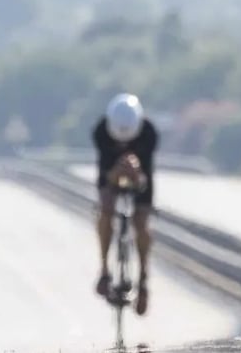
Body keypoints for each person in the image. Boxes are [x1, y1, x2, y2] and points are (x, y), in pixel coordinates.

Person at [92, 92, 158, 316]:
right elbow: (104, 174)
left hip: (141, 176)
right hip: (110, 172)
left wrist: (135, 172)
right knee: (105, 210)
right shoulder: (102, 132)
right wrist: (117, 172)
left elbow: (144, 180)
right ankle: (104, 269)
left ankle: (143, 278)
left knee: (141, 222)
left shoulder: (148, 133)